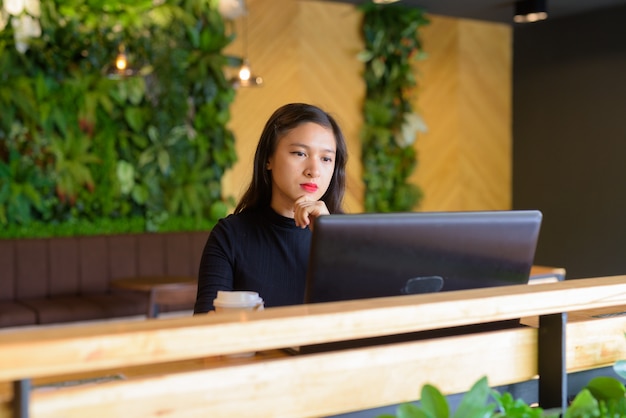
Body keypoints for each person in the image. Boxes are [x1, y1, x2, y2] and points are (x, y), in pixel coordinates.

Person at [194, 103, 348, 313]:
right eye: (300, 153)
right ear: (268, 158)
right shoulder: (230, 236)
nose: (314, 170)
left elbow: (366, 321)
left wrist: (331, 240)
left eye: (326, 158)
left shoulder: (347, 239)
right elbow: (206, 329)